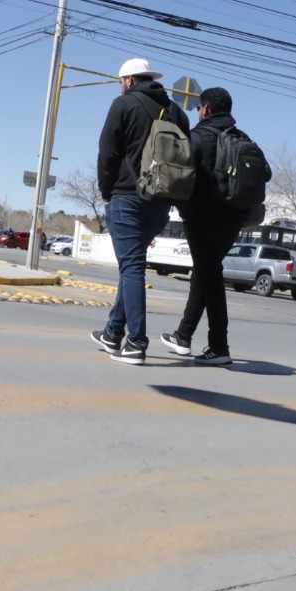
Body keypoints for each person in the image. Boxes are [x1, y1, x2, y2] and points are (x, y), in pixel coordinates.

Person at [91, 58, 189, 365]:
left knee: (131, 267)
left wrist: (106, 192)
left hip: (126, 196)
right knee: (131, 266)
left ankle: (136, 343)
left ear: (130, 79)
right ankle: (112, 333)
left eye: (121, 81)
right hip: (161, 200)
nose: (121, 86)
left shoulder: (124, 104)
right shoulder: (177, 113)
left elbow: (107, 152)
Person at [160, 87, 255, 366]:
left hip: (202, 218)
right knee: (206, 274)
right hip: (234, 218)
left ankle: (218, 347)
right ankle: (184, 335)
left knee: (209, 276)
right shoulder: (243, 137)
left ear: (207, 110)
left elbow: (182, 172)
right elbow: (266, 172)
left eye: (200, 107)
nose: (199, 112)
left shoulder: (199, 136)